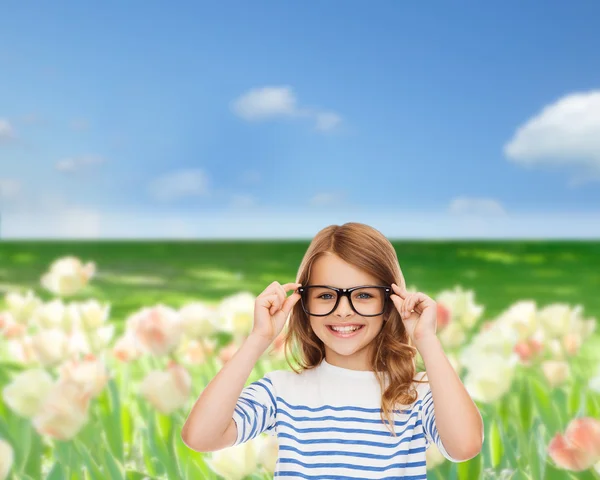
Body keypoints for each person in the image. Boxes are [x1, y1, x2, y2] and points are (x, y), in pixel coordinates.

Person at [181, 222, 484, 478]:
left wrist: (426, 340)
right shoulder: (282, 391)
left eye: (363, 295)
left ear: (389, 303)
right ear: (304, 302)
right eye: (326, 295)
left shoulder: (416, 394)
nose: (342, 311)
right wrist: (259, 337)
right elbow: (201, 436)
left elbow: (464, 445)